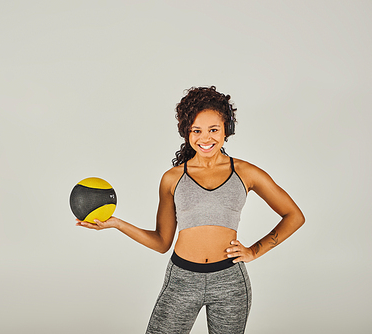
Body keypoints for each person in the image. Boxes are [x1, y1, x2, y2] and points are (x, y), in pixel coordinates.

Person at [76, 86, 305, 334]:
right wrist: (116, 224)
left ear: (227, 130)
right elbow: (162, 242)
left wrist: (254, 251)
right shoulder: (172, 179)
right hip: (181, 280)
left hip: (230, 281)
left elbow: (294, 216)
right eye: (197, 130)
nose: (205, 138)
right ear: (186, 131)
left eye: (213, 130)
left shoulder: (246, 172)